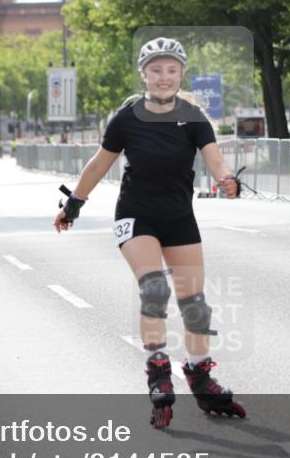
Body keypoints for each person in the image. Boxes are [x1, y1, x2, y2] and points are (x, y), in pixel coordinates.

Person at [52, 37, 246, 429]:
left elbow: (215, 158)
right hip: (136, 216)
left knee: (195, 302)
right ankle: (157, 368)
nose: (163, 77)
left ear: (180, 74)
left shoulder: (193, 117)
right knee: (154, 288)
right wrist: (73, 203)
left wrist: (227, 179)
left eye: (171, 70)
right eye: (156, 70)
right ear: (144, 74)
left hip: (179, 217)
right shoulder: (127, 117)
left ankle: (199, 374)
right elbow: (98, 164)